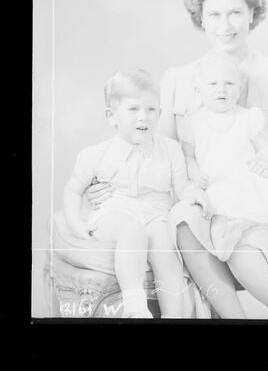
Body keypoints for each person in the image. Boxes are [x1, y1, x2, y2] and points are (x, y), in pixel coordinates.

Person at [86, 0, 268, 318]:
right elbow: (153, 152)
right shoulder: (179, 79)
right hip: (206, 204)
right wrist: (106, 185)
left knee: (239, 243)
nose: (226, 25)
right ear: (201, 20)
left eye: (235, 12)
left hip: (263, 208)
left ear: (252, 14)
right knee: (181, 218)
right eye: (214, 15)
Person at [168, 51, 268, 319]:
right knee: (200, 218)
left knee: (240, 228)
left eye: (229, 84)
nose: (221, 90)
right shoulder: (193, 121)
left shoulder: (247, 118)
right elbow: (188, 155)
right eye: (213, 84)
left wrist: (266, 157)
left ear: (239, 89)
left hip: (243, 186)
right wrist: (194, 171)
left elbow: (265, 147)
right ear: (198, 89)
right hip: (216, 188)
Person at [63, 69, 211, 318]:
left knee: (165, 248)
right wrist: (76, 223)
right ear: (112, 116)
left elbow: (182, 186)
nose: (144, 117)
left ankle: (174, 315)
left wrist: (193, 193)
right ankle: (135, 306)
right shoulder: (95, 154)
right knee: (132, 230)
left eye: (151, 109)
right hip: (114, 212)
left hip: (156, 213)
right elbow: (73, 190)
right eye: (134, 109)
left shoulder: (170, 150)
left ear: (160, 113)